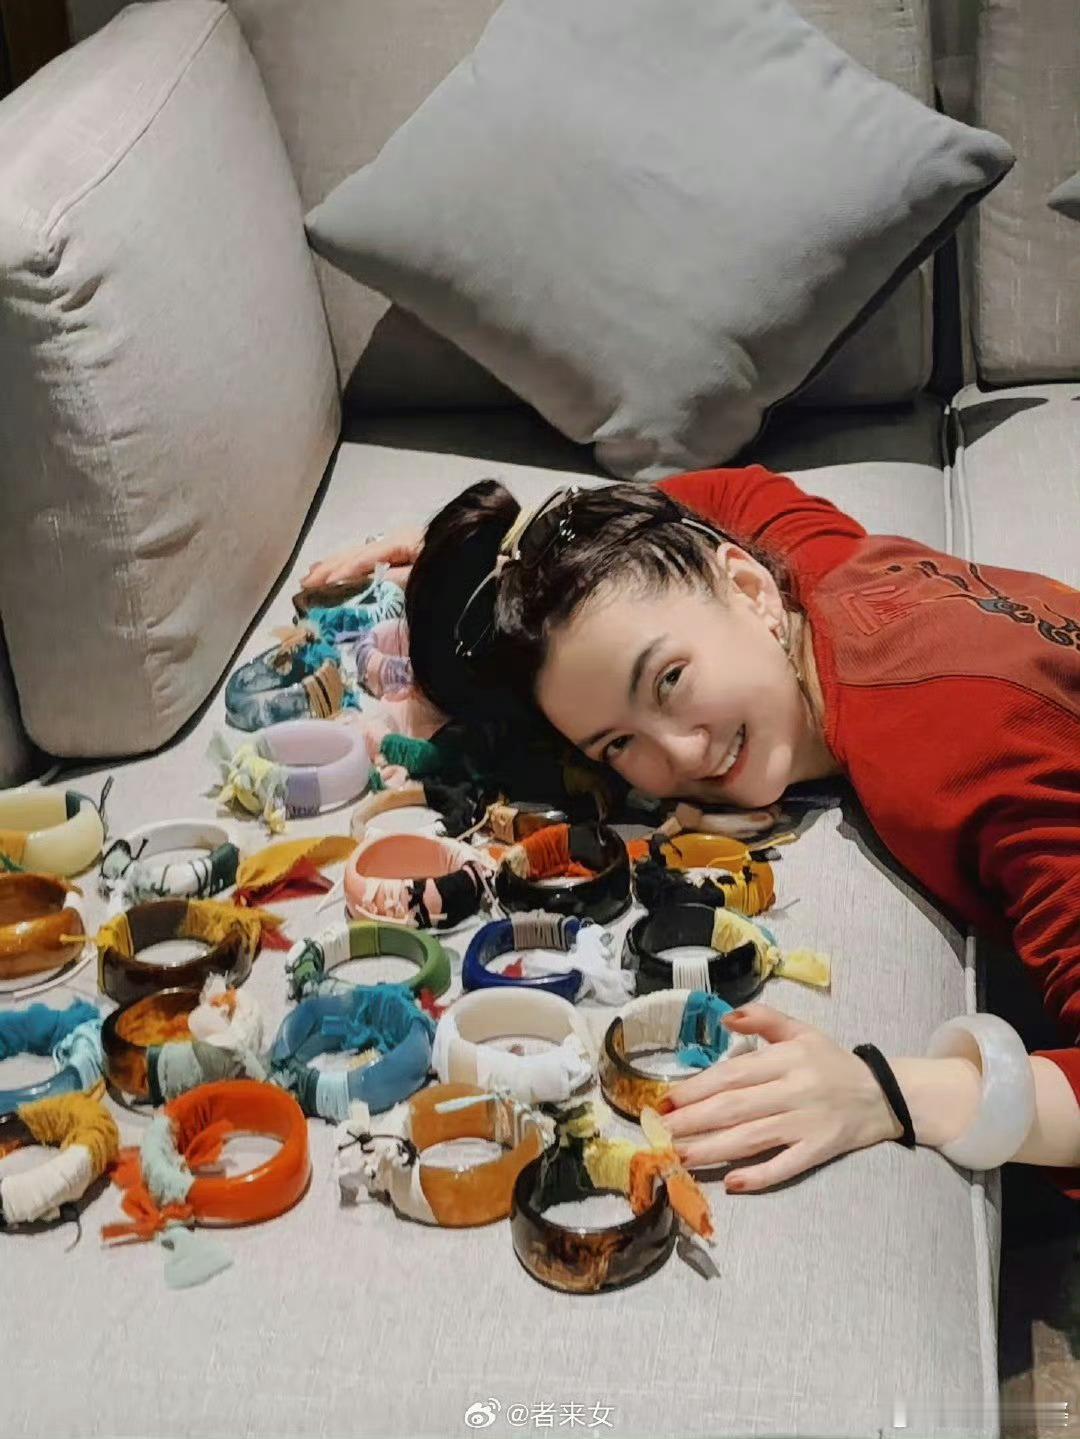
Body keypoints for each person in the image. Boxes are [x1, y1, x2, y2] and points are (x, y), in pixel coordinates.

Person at [303, 465, 1080, 1192]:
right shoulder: (813, 561)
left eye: (669, 679)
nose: (679, 755)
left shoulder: (955, 756)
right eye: (618, 744)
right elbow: (718, 498)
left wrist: (887, 1093)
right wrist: (483, 565)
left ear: (748, 587)